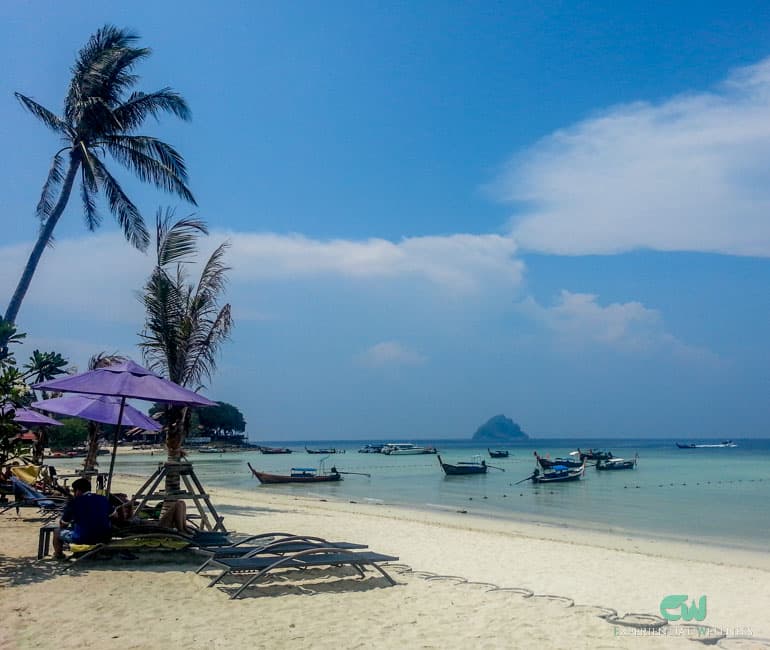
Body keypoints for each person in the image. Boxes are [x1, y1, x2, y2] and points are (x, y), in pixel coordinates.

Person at [52, 477, 111, 559]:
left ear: (78, 490)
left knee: (57, 531)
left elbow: (63, 524)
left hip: (84, 537)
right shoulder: (103, 499)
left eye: (74, 491)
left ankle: (58, 554)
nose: (74, 494)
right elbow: (114, 515)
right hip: (105, 536)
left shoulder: (75, 502)